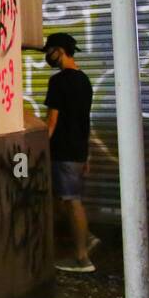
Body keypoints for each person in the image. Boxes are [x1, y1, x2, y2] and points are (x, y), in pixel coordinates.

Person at [43, 32, 95, 273]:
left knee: (71, 201)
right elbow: (85, 120)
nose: (47, 56)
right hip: (78, 150)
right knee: (65, 199)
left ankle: (82, 258)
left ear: (60, 51)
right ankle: (86, 238)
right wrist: (87, 154)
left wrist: (40, 148)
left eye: (49, 51)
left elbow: (51, 122)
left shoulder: (58, 82)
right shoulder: (84, 80)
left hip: (62, 151)